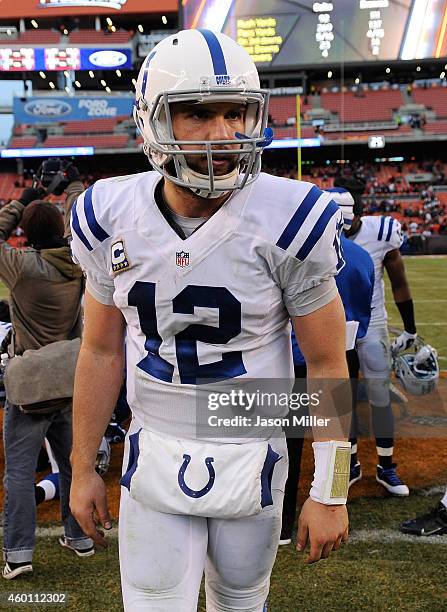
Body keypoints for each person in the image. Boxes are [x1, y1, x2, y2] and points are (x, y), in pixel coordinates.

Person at [69, 29, 351, 611]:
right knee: (150, 603)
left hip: (255, 443)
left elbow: (326, 361)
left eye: (236, 113)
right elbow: (99, 351)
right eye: (196, 113)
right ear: (152, 120)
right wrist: (82, 466)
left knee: (241, 602)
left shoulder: (289, 216)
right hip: (154, 441)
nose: (223, 135)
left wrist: (331, 488)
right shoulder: (110, 215)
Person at [0, 187, 94, 580]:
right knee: (73, 461)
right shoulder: (79, 262)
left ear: (26, 232)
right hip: (71, 379)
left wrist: (24, 199)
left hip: (30, 384)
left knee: (19, 472)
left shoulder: (23, 266)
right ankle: (80, 537)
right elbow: (87, 223)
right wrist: (71, 188)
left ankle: (19, 553)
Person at [280, 188, 374, 544]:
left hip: (296, 358)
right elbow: (364, 313)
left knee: (287, 446)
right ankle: (336, 498)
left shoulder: (297, 253)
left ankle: (283, 524)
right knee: (341, 439)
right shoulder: (362, 257)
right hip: (343, 355)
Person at [341, 176, 416, 495]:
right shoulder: (319, 231)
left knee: (380, 395)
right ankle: (351, 463)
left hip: (371, 323)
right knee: (341, 397)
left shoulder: (382, 232)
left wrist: (410, 327)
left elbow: (399, 282)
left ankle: (386, 466)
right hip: (336, 325)